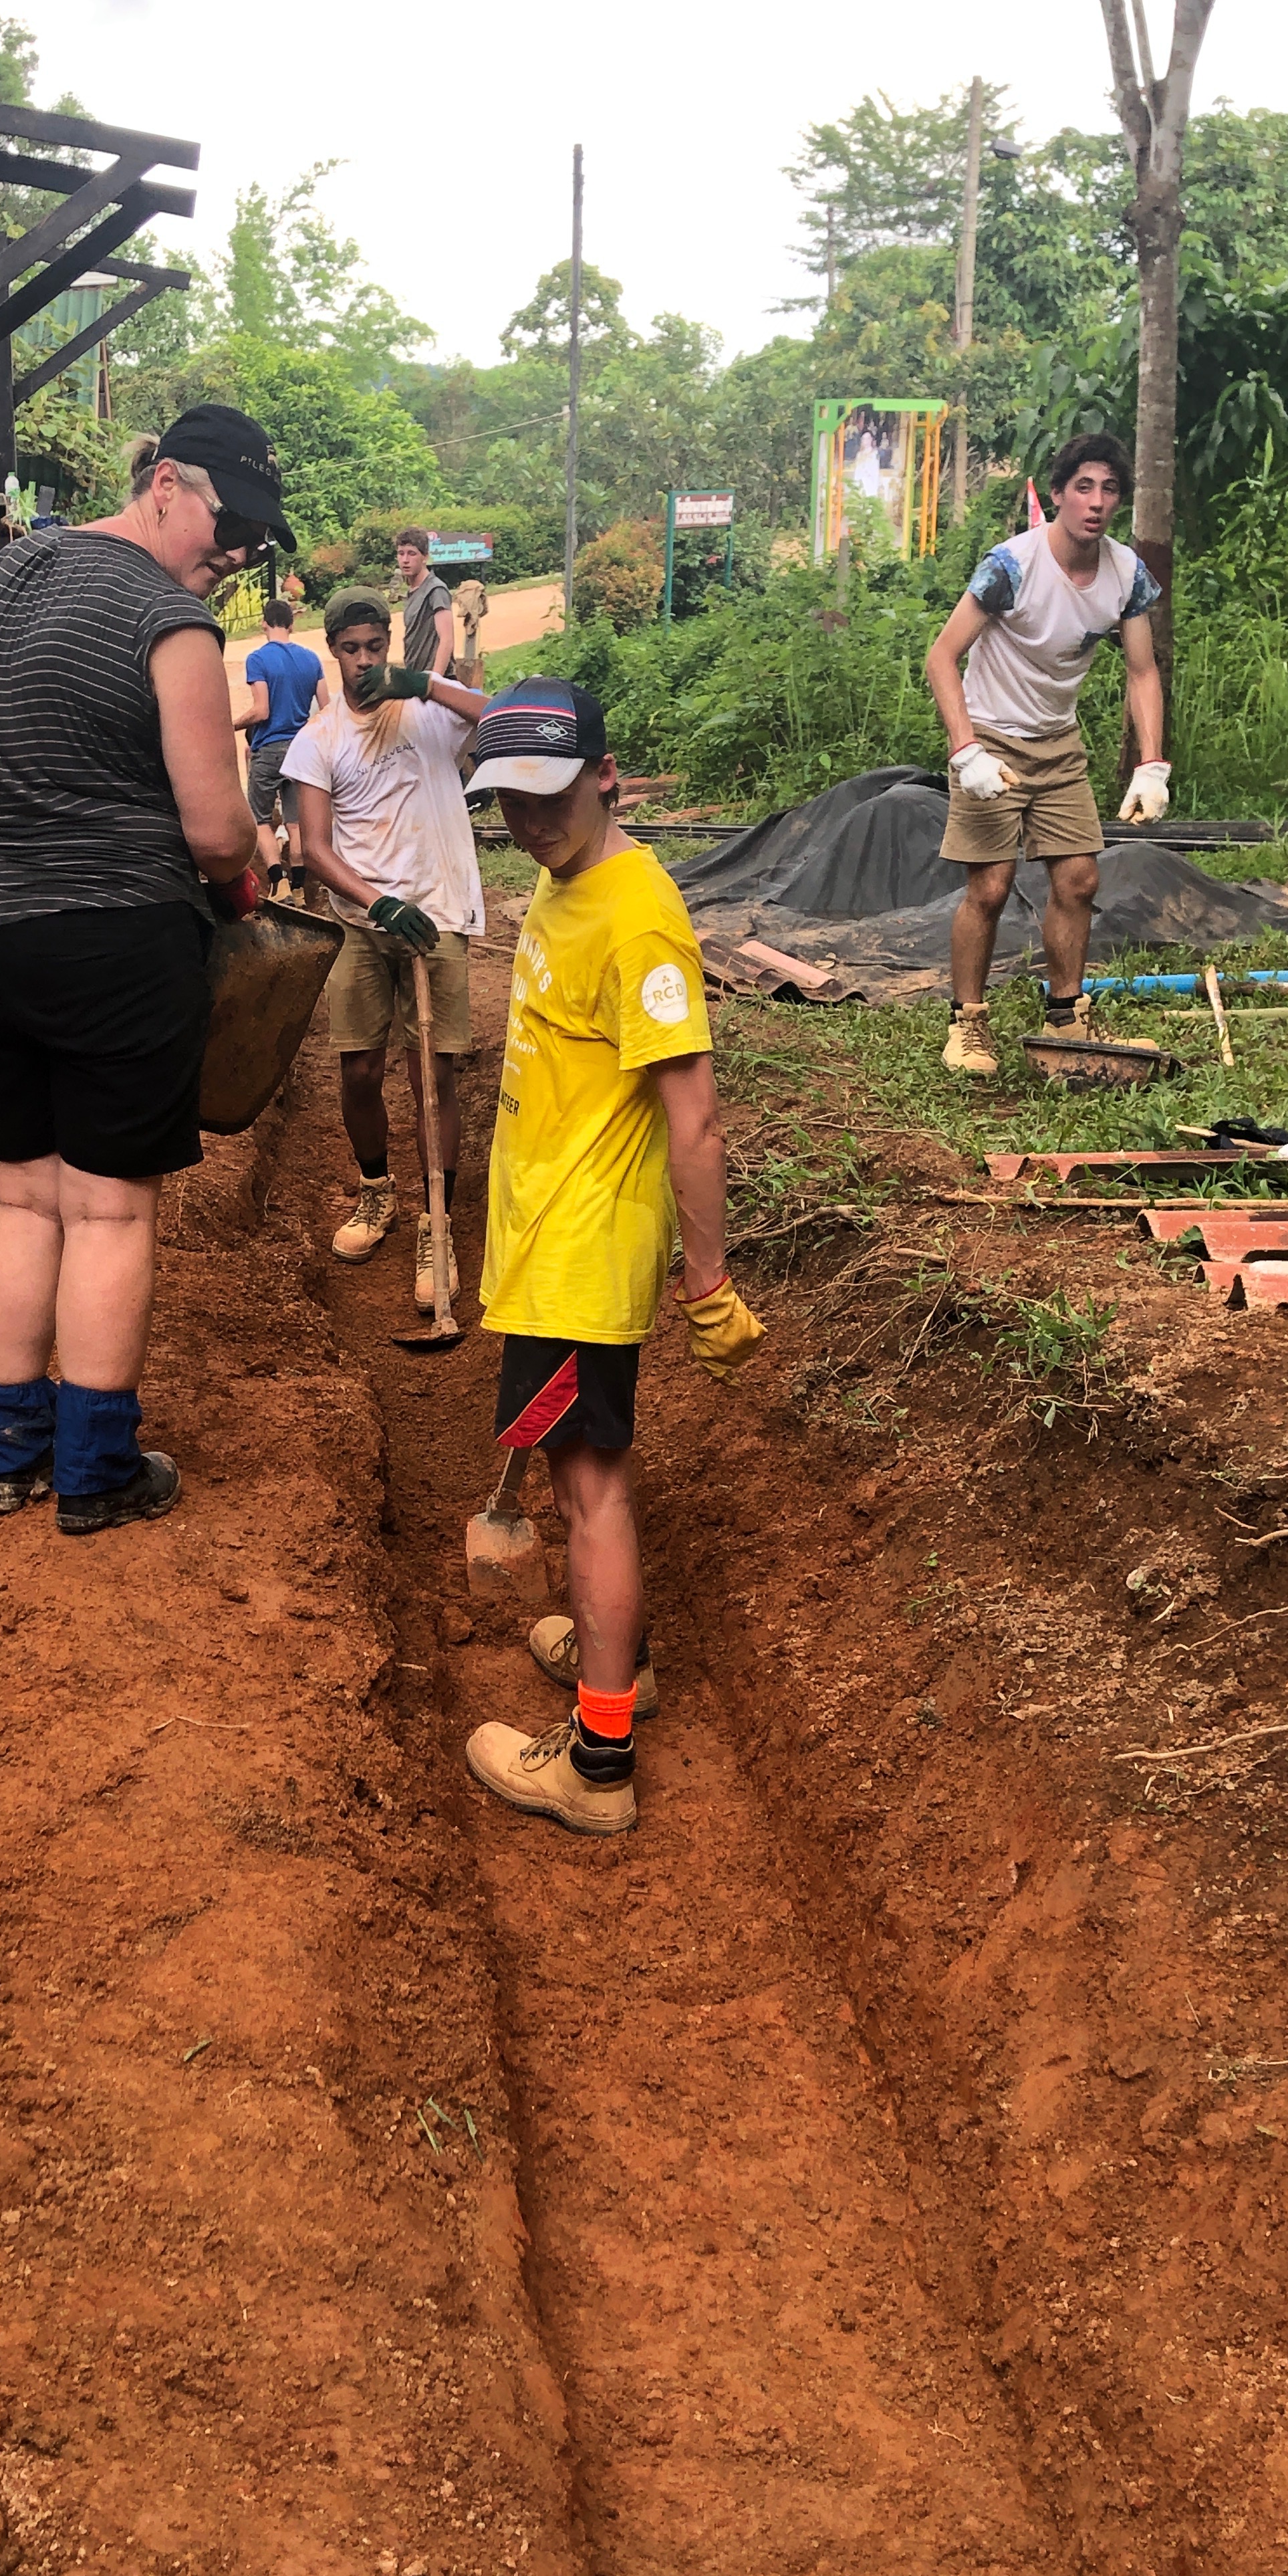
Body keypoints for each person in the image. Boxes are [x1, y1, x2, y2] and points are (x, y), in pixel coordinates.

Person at [0, 404, 291, 1531]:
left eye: (253, 543)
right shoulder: (171, 622)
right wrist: (250, 855)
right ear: (166, 484)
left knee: (21, 1192)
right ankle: (94, 1474)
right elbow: (217, 833)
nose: (236, 554)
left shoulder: (7, 578)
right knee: (109, 1212)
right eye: (230, 527)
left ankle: (9, 1456)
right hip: (110, 941)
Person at [459, 679, 766, 1838]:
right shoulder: (564, 877)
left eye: (549, 797)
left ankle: (597, 1760)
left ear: (606, 776)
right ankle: (614, 1662)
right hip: (549, 1235)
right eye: (507, 802)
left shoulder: (638, 920)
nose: (529, 822)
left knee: (589, 1490)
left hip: (582, 1252)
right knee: (576, 1473)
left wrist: (708, 1280)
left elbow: (696, 1119)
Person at [924, 429, 1168, 1079]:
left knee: (1080, 879)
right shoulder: (1012, 566)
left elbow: (1142, 671)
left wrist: (1152, 764)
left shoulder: (1125, 574)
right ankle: (968, 1024)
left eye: (1109, 489)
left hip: (1059, 743)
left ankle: (1066, 1016)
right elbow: (941, 657)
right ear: (1058, 494)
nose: (1097, 501)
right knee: (990, 887)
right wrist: (966, 752)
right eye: (1083, 487)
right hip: (991, 739)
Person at [283, 588, 486, 1312]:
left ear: (389, 647)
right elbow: (315, 847)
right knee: (361, 1069)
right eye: (351, 649)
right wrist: (379, 903)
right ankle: (377, 1191)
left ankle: (438, 1222)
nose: (364, 661)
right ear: (332, 652)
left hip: (438, 917)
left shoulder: (428, 714)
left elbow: (501, 716)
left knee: (433, 1075)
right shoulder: (319, 740)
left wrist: (423, 682)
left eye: (375, 648)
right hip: (364, 925)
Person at [235, 598, 324, 897]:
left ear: (264, 623)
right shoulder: (312, 659)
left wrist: (231, 725)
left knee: (260, 820)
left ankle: (279, 881)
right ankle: (299, 888)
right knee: (296, 824)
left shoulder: (258, 659)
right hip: (302, 751)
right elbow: (325, 709)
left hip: (269, 749)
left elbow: (261, 711)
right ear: (292, 624)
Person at [395, 527, 454, 681]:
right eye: (401, 553)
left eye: (412, 553)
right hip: (416, 678)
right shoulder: (412, 591)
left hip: (436, 680)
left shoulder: (436, 590)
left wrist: (435, 680)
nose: (405, 560)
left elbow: (447, 640)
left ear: (425, 557)